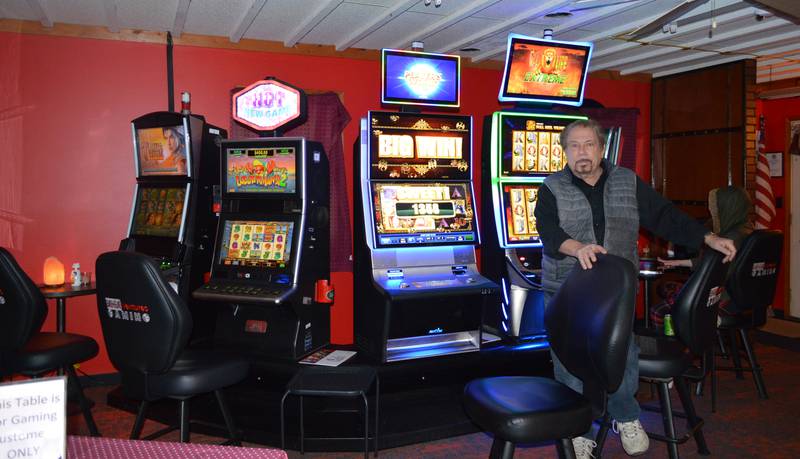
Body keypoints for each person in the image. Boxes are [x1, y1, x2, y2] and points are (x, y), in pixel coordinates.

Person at [533, 119, 736, 458]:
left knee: (623, 352)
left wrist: (708, 237)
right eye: (574, 146)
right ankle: (578, 429)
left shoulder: (627, 181)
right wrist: (577, 247)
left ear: (602, 148)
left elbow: (665, 216)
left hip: (615, 289)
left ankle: (625, 416)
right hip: (567, 287)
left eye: (589, 144)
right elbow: (548, 232)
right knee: (567, 359)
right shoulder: (551, 186)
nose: (582, 152)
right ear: (564, 151)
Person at [659, 185, 753, 315]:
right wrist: (677, 262)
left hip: (721, 297)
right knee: (671, 289)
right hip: (739, 296)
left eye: (715, 207)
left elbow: (712, 272)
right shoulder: (746, 229)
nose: (710, 210)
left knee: (659, 311)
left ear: (727, 208)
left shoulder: (731, 239)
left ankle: (691, 333)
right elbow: (712, 262)